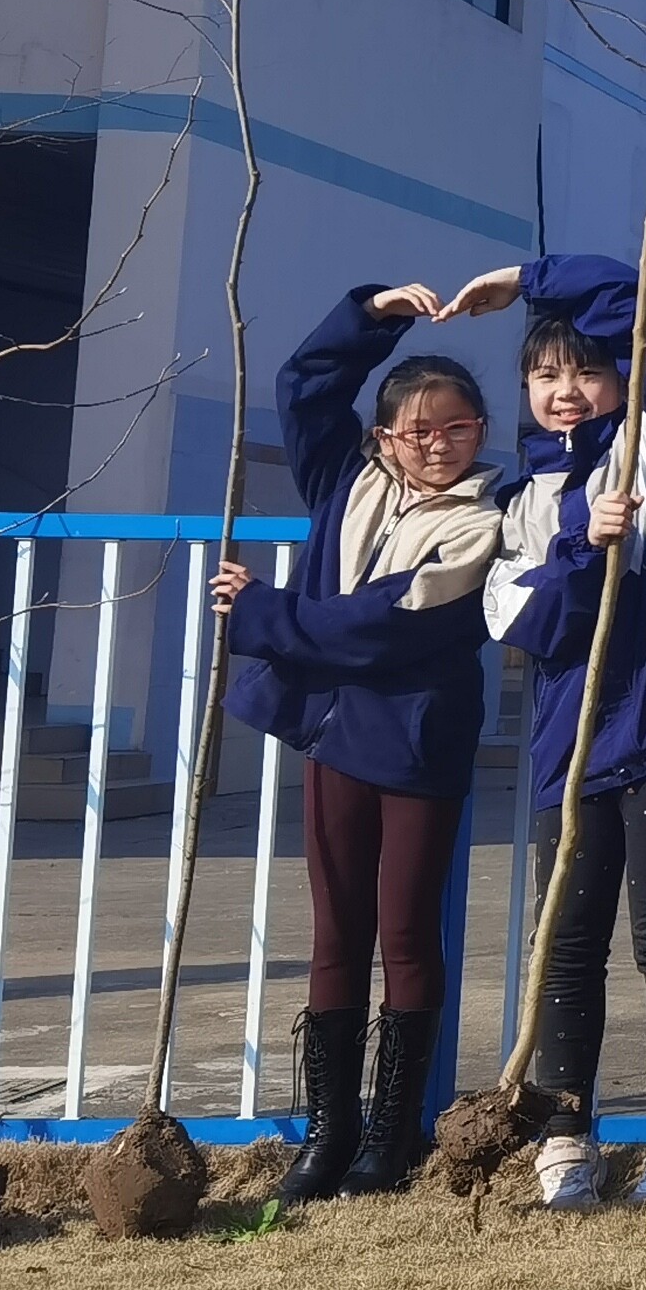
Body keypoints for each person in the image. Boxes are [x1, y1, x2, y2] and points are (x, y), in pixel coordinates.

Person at [460, 253, 646, 1211]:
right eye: (545, 374)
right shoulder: (521, 499)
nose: (565, 391)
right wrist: (578, 548)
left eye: (587, 370)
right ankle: (566, 1133)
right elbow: (521, 622)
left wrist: (528, 278)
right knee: (566, 938)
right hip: (574, 735)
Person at [213, 282, 506, 1203]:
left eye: (458, 428)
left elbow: (384, 625)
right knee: (335, 931)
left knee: (408, 931)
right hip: (334, 737)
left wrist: (262, 614)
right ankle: (329, 1130)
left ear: (482, 431)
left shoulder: (486, 518)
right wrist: (373, 315)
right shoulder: (348, 482)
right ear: (383, 439)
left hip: (418, 746)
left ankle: (392, 1132)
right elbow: (304, 385)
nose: (438, 444)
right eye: (418, 431)